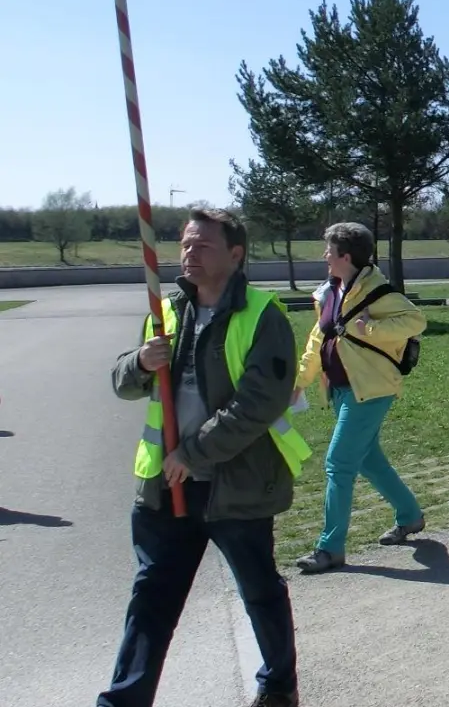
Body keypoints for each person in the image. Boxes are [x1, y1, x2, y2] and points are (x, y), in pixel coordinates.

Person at [102, 208, 308, 707]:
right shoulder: (166, 311)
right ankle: (123, 700)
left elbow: (258, 404)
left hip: (236, 486)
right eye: (185, 244)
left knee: (259, 592)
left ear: (235, 255)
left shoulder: (264, 316)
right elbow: (122, 383)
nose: (189, 253)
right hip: (164, 489)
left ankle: (279, 685)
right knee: (151, 599)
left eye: (202, 245)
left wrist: (193, 453)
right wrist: (139, 363)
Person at [291, 222, 427, 574]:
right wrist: (299, 382)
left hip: (370, 390)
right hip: (340, 389)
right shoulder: (330, 292)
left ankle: (329, 548)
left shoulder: (377, 291)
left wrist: (372, 329)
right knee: (368, 461)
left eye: (329, 251)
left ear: (345, 256)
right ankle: (410, 516)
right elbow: (315, 343)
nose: (324, 256)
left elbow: (415, 320)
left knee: (338, 463)